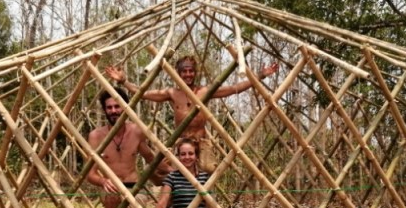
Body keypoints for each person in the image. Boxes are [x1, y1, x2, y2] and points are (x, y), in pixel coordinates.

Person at [105, 56, 278, 174]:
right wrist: (123, 81)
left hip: (201, 142)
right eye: (184, 71)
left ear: (195, 73)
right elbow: (142, 93)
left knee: (207, 173)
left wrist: (261, 75)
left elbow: (234, 89)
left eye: (191, 71)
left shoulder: (204, 91)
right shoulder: (172, 93)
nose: (188, 74)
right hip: (181, 143)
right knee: (170, 175)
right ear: (178, 73)